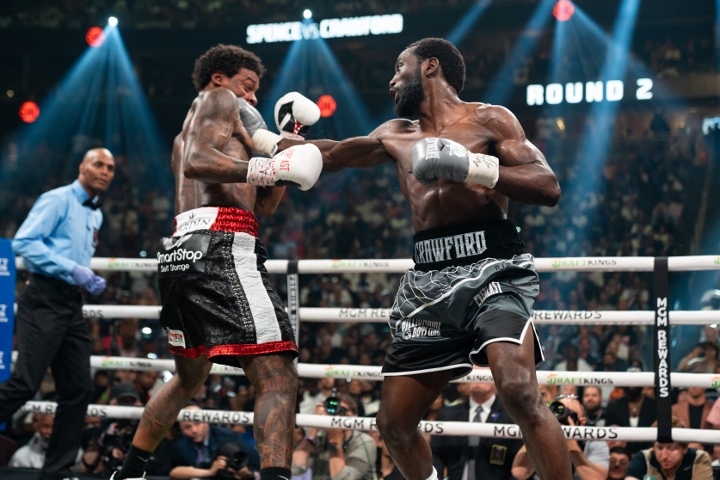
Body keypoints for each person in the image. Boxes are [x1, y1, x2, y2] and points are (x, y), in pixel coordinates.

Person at [275, 36, 571, 480]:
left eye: (400, 67)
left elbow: (547, 186)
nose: (392, 80)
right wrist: (285, 139)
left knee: (517, 389)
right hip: (429, 280)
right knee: (393, 425)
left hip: (492, 268)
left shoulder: (489, 119)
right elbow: (332, 155)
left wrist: (472, 166)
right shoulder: (395, 133)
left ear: (430, 66)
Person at [111, 44, 323, 480]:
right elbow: (198, 163)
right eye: (248, 85)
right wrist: (265, 168)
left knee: (188, 379)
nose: (253, 97)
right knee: (278, 376)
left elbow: (265, 206)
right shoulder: (218, 99)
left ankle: (128, 473)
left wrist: (283, 152)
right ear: (219, 79)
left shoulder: (222, 133)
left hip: (183, 251)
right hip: (222, 244)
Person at [0, 147, 115, 480]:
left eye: (110, 167)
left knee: (78, 388)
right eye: (98, 164)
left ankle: (57, 471)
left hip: (71, 303)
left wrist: (83, 277)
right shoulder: (57, 200)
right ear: (82, 167)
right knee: (25, 383)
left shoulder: (95, 214)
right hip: (44, 298)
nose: (104, 171)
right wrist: (71, 268)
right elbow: (24, 242)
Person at [431, 380, 522, 480]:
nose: (478, 379)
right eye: (473, 373)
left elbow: (519, 462)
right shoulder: (448, 415)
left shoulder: (512, 416)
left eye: (484, 373)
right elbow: (436, 455)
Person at [511, 394, 609, 480]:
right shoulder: (543, 437)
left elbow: (597, 478)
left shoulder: (593, 441)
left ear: (581, 422)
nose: (560, 417)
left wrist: (570, 442)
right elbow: (519, 473)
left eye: (569, 413)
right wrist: (538, 432)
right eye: (557, 412)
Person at [291, 393, 377, 480]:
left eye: (343, 410)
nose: (337, 415)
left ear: (354, 416)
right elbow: (294, 469)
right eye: (333, 409)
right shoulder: (319, 437)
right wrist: (314, 427)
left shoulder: (365, 442)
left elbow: (343, 479)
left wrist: (334, 441)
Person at [169, 404, 260, 479]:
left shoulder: (227, 437)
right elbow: (173, 473)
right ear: (181, 429)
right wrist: (210, 472)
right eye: (187, 427)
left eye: (197, 423)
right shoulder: (179, 447)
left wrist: (248, 473)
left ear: (206, 422)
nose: (194, 430)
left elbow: (257, 463)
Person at [625, 417, 713, 480]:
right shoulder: (643, 458)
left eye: (671, 448)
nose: (664, 456)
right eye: (660, 448)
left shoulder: (699, 459)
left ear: (685, 447)